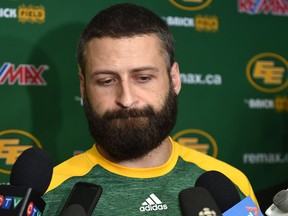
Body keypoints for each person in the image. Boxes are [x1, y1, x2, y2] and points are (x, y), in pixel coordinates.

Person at [43, 3, 258, 215]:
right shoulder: (47, 195)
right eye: (107, 81)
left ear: (174, 79)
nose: (126, 100)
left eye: (143, 78)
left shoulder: (230, 186)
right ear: (83, 87)